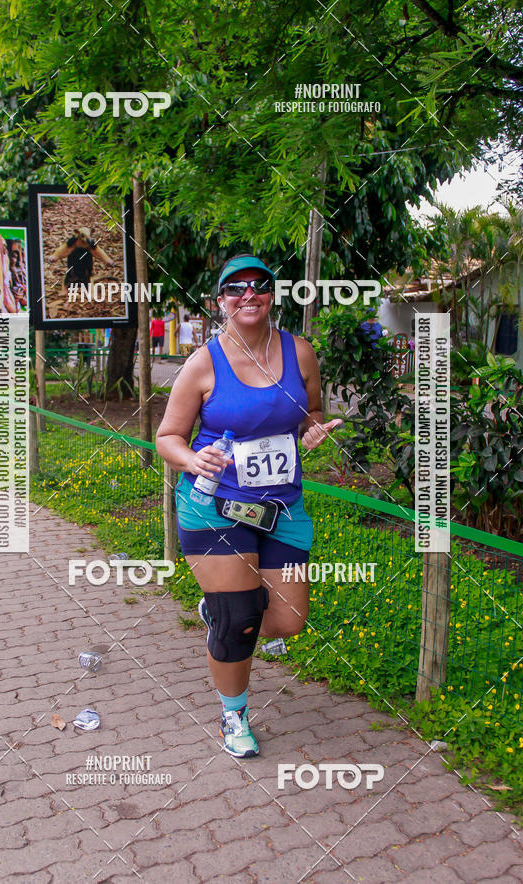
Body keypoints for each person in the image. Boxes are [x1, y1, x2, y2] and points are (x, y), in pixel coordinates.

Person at [155, 254, 342, 758]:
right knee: (240, 619)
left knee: (286, 622)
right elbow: (167, 437)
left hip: (281, 506)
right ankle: (232, 714)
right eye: (235, 289)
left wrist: (312, 428)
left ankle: (217, 610)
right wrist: (194, 458)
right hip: (214, 504)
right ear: (221, 302)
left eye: (259, 286)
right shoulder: (202, 363)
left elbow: (312, 408)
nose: (248, 295)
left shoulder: (299, 352)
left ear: (273, 295)